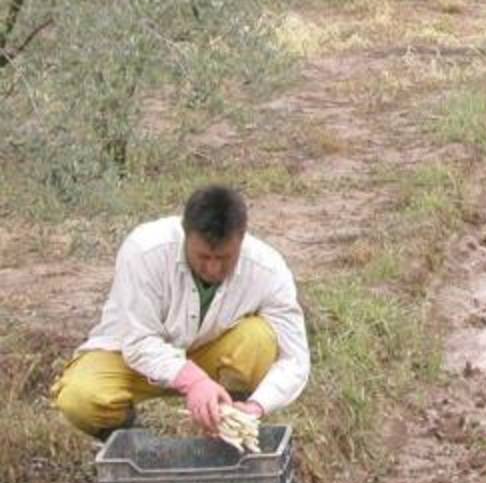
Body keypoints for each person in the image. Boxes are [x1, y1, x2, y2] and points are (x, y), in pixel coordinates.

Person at [51, 185, 310, 441]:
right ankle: (130, 441)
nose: (212, 268)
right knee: (79, 398)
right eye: (203, 256)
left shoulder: (268, 269)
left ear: (241, 239)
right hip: (130, 357)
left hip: (210, 351)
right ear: (185, 233)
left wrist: (256, 407)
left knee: (259, 339)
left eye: (224, 258)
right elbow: (139, 341)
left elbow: (294, 359)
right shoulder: (144, 251)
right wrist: (194, 381)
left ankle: (225, 417)